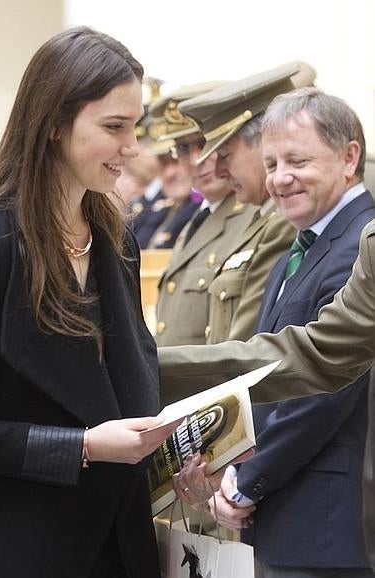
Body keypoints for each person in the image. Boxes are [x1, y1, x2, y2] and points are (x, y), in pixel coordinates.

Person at [0, 27, 181, 578]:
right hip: (6, 551)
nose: (133, 148)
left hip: (115, 548)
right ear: (53, 124)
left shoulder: (115, 241)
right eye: (114, 127)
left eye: (136, 128)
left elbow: (127, 387)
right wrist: (80, 447)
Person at [157, 115, 375, 575]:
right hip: (284, 510)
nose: (280, 177)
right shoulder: (305, 245)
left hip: (326, 515)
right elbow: (299, 357)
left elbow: (325, 388)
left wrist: (245, 480)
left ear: (350, 157)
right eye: (271, 162)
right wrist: (221, 458)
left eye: (297, 160)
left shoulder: (356, 240)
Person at [176, 63, 311, 349]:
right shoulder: (261, 218)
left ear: (263, 145)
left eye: (224, 155)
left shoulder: (283, 222)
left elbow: (246, 346)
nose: (220, 170)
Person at [148, 81, 254, 346]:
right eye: (183, 149)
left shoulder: (254, 216)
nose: (196, 159)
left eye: (205, 142)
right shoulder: (195, 219)